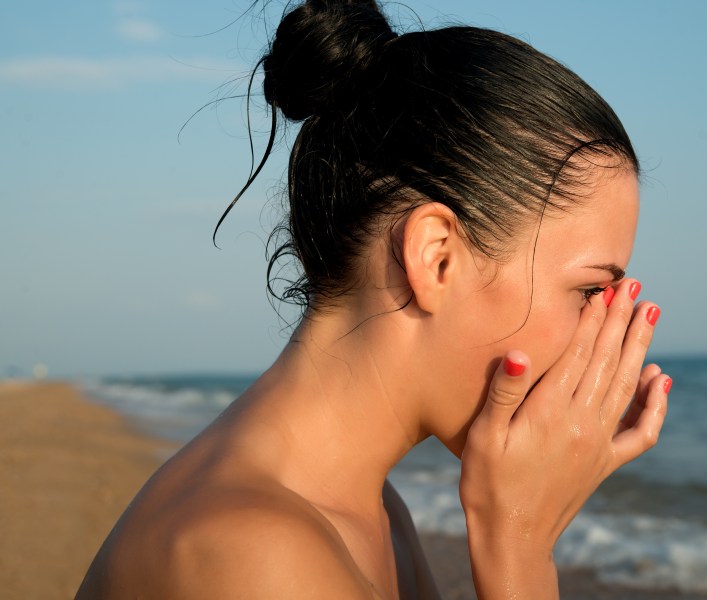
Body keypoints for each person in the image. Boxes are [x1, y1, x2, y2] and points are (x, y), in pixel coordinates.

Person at [76, 1, 670, 598]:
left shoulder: (371, 510)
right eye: (590, 291)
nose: (605, 333)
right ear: (436, 258)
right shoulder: (252, 555)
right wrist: (518, 546)